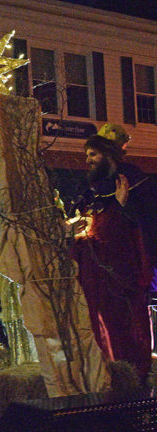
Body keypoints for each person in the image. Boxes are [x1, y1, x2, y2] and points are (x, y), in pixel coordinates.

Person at [68, 127, 156, 382]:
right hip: (95, 275)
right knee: (98, 326)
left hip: (123, 275)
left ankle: (133, 377)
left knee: (126, 326)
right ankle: (105, 376)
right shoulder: (91, 189)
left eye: (93, 154)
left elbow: (146, 225)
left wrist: (124, 206)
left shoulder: (136, 183)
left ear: (108, 154)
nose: (87, 160)